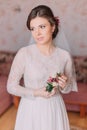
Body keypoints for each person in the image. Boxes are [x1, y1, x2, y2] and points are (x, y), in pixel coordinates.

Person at [7, 5, 78, 130]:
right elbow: (11, 86)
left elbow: (67, 89)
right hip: (30, 109)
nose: (37, 33)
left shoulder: (64, 56)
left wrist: (64, 84)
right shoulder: (24, 53)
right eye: (33, 28)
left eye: (42, 27)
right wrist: (37, 92)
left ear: (53, 27)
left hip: (55, 107)